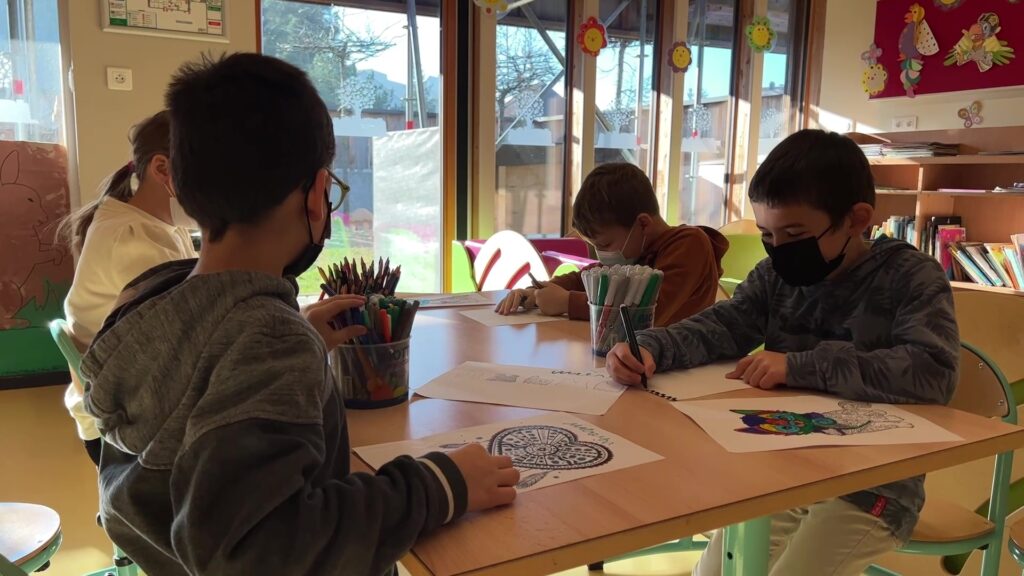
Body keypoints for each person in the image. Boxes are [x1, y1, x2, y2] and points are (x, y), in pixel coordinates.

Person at [81, 53, 518, 576]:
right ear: (316, 196)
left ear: (186, 188)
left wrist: (298, 339)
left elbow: (201, 400)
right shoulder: (266, 339)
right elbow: (258, 552)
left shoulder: (151, 295)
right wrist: (444, 484)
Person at [606, 130, 959, 576]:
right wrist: (652, 346)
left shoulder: (911, 277)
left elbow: (933, 371)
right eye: (767, 235)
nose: (779, 250)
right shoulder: (774, 273)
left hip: (875, 485)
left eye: (794, 233)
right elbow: (726, 324)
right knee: (713, 572)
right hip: (784, 471)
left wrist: (798, 365)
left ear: (857, 219)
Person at [58, 110, 197, 466]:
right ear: (162, 169)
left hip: (122, 403)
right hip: (122, 427)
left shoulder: (153, 223)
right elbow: (191, 340)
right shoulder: (134, 241)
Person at [495, 162, 728, 327]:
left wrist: (567, 302)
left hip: (684, 371)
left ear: (643, 224)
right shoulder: (636, 248)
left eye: (606, 243)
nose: (602, 253)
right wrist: (538, 291)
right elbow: (587, 278)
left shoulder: (690, 245)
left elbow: (646, 313)